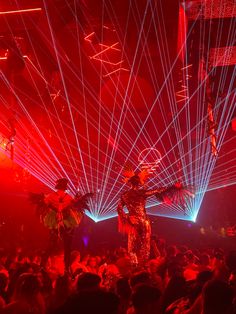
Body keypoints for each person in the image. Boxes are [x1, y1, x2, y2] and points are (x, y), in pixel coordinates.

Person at [117, 169, 193, 266]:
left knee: (132, 246)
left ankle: (135, 267)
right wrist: (173, 187)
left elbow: (119, 209)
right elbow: (158, 190)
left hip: (133, 222)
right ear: (139, 183)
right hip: (143, 221)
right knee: (145, 245)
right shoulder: (141, 193)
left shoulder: (125, 195)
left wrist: (128, 218)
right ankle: (142, 266)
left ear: (129, 183)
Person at [30, 178, 93, 273]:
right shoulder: (68, 197)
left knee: (51, 244)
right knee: (67, 246)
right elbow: (73, 206)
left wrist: (52, 207)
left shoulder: (51, 196)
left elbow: (45, 204)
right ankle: (67, 267)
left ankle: (42, 264)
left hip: (55, 220)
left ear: (57, 186)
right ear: (65, 187)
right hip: (66, 221)